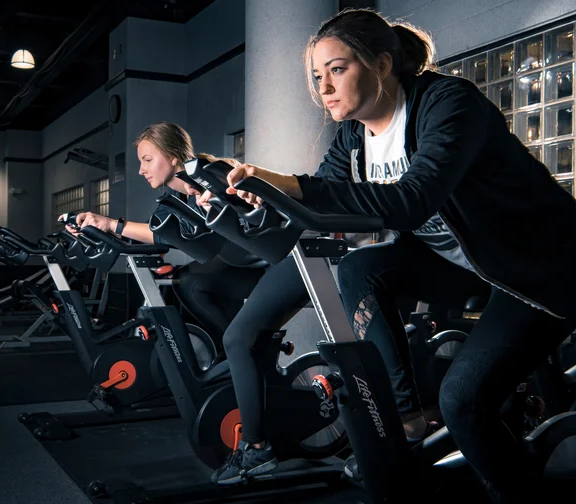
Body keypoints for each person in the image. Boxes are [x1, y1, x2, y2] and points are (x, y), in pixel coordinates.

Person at [211, 8, 576, 503]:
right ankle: (405, 416)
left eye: (337, 69)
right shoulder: (352, 137)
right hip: (462, 265)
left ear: (381, 64)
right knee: (362, 267)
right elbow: (320, 198)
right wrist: (249, 197)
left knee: (463, 402)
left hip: (537, 269)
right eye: (318, 76)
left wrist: (288, 185)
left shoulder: (447, 103)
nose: (324, 87)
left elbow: (411, 201)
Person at [62, 122, 266, 349]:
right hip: (232, 263)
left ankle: (240, 350)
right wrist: (98, 228)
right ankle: (231, 354)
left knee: (190, 282)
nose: (141, 170)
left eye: (147, 160)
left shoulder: (207, 176)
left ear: (172, 157)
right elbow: (157, 231)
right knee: (186, 282)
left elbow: (238, 219)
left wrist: (112, 225)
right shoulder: (173, 195)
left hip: (259, 262)